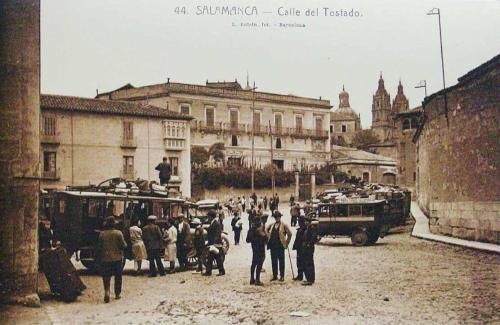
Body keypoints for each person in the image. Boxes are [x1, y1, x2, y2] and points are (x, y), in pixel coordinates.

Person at [96, 216, 127, 303]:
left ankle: (107, 292)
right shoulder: (118, 233)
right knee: (118, 276)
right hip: (117, 258)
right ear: (114, 225)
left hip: (105, 259)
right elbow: (123, 246)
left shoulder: (102, 234)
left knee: (106, 276)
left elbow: (99, 247)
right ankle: (117, 294)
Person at [266, 211, 292, 282]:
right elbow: (266, 230)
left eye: (278, 217)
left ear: (280, 217)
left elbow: (290, 234)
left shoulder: (284, 225)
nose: (276, 218)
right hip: (273, 246)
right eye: (275, 217)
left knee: (281, 261)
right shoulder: (272, 225)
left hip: (280, 246)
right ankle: (275, 275)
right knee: (273, 261)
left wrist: (287, 243)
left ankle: (282, 276)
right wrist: (268, 237)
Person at [246, 215, 267, 286]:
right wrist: (261, 236)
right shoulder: (259, 230)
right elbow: (265, 238)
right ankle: (257, 280)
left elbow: (247, 240)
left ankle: (252, 278)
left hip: (254, 249)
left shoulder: (251, 229)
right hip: (260, 248)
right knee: (259, 264)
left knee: (254, 263)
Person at [203, 210, 225, 276]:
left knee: (217, 258)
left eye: (208, 216)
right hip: (213, 243)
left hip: (216, 243)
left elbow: (217, 234)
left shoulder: (216, 223)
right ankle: (209, 271)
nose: (208, 218)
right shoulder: (214, 222)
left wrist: (214, 243)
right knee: (211, 258)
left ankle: (220, 271)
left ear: (211, 216)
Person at [302, 216, 318, 285]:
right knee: (307, 263)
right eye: (305, 221)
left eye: (307, 221)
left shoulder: (311, 228)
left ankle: (310, 280)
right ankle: (309, 278)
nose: (305, 223)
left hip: (309, 248)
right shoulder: (307, 228)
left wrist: (309, 244)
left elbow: (314, 237)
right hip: (306, 248)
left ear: (309, 222)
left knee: (309, 263)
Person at [292, 216, 306, 281]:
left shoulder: (305, 229)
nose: (298, 222)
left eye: (300, 221)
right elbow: (296, 239)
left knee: (303, 262)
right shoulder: (300, 229)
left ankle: (303, 276)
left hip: (303, 249)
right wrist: (294, 245)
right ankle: (299, 275)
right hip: (299, 248)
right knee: (299, 262)